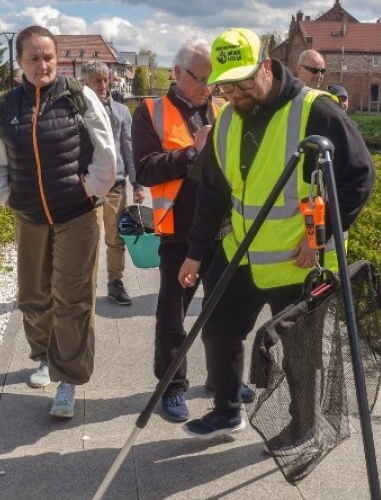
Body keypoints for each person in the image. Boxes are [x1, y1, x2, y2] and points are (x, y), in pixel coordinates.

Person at [177, 28, 375, 438]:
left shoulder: (316, 111)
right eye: (226, 85)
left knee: (298, 351)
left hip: (297, 260)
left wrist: (317, 236)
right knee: (218, 329)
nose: (236, 92)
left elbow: (359, 177)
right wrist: (196, 253)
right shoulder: (228, 118)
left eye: (245, 80)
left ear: (266, 67)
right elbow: (212, 191)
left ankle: (303, 425)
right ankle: (228, 409)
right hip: (241, 254)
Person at [0, 25, 116, 419]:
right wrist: (8, 196)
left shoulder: (79, 96)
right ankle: (43, 355)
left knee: (71, 299)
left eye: (49, 57)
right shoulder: (7, 107)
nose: (43, 64)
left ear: (58, 60)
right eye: (34, 58)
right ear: (20, 62)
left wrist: (89, 190)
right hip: (30, 218)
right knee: (33, 296)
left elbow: (106, 154)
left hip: (76, 216)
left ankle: (68, 380)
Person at [133, 40, 254, 422]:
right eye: (199, 79)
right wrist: (191, 152)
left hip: (223, 230)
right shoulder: (150, 111)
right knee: (173, 315)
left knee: (224, 314)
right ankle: (171, 387)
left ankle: (223, 379)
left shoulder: (222, 109)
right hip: (179, 233)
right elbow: (145, 169)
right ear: (176, 73)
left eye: (211, 81)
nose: (206, 87)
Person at [82, 60, 144, 306]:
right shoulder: (79, 110)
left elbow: (128, 148)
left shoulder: (121, 111)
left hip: (116, 186)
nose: (104, 85)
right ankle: (86, 288)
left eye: (106, 79)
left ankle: (115, 283)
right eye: (98, 80)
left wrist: (137, 183)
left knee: (116, 239)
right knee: (87, 241)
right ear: (86, 82)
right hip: (88, 187)